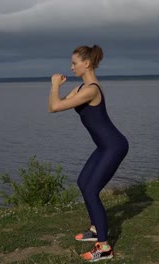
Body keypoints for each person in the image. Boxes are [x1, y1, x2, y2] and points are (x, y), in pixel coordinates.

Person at [48, 44, 129, 262]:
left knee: (91, 189)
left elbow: (54, 106)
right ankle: (95, 229)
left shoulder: (91, 89)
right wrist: (61, 89)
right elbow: (59, 105)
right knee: (83, 182)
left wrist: (55, 85)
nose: (71, 67)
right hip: (104, 146)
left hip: (115, 146)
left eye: (74, 63)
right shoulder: (81, 89)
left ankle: (103, 247)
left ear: (86, 64)